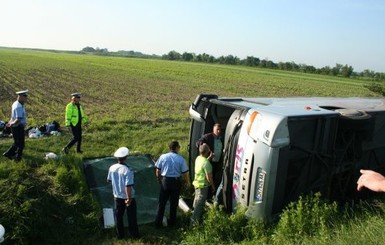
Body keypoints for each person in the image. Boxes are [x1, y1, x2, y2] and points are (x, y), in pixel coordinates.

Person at [154, 141, 190, 228]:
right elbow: (185, 174)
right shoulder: (181, 159)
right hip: (175, 182)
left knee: (162, 203)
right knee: (174, 204)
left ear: (169, 148)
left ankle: (158, 223)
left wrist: (159, 179)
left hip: (165, 180)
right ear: (177, 148)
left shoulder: (163, 157)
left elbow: (158, 170)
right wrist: (186, 182)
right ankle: (172, 223)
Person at [107, 147, 139, 240]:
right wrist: (129, 198)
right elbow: (128, 186)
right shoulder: (128, 170)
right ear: (126, 157)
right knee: (131, 216)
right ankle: (134, 235)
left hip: (117, 196)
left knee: (118, 216)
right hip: (127, 197)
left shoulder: (112, 167)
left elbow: (109, 180)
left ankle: (120, 235)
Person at [196, 123, 223, 197]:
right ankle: (207, 195)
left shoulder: (221, 138)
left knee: (214, 178)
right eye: (217, 130)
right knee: (209, 178)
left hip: (217, 162)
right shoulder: (208, 137)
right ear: (213, 129)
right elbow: (198, 143)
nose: (218, 131)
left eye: (219, 130)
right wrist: (203, 145)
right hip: (209, 161)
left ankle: (212, 195)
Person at [191, 143, 215, 225]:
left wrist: (209, 158)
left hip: (196, 184)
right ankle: (194, 224)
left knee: (196, 202)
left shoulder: (198, 158)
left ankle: (191, 216)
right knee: (199, 205)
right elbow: (209, 178)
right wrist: (213, 186)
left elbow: (203, 163)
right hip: (203, 186)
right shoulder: (207, 164)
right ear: (207, 151)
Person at [3, 90, 29, 161]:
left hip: (16, 126)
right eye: (25, 96)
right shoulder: (19, 106)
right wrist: (12, 123)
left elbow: (13, 116)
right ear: (20, 96)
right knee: (20, 144)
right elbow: (18, 119)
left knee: (17, 143)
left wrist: (10, 122)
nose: (26, 98)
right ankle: (16, 157)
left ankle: (13, 155)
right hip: (18, 127)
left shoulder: (16, 103)